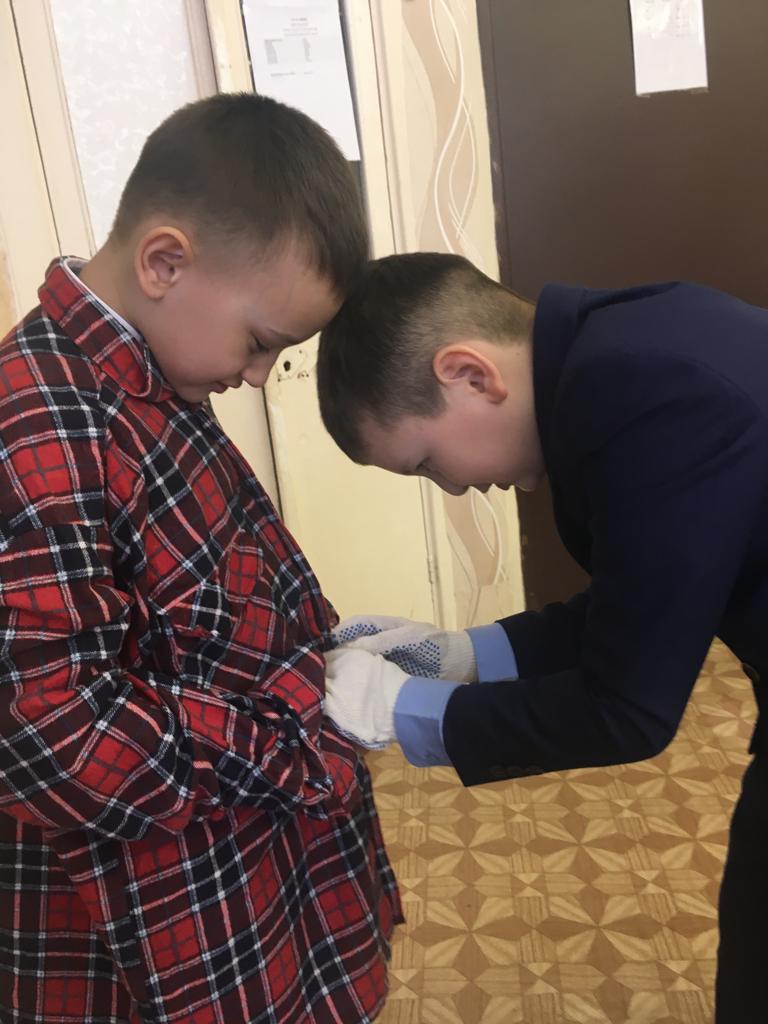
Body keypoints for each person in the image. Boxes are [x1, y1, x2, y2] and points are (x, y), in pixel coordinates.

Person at [0, 93, 402, 1024]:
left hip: (244, 860)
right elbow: (50, 727)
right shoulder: (38, 427)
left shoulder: (154, 373)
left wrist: (323, 658)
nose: (257, 376)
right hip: (152, 916)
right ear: (165, 261)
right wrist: (293, 733)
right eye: (261, 344)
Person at [316, 250, 768, 1022]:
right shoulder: (620, 346)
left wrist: (405, 712)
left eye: (427, 463)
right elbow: (640, 601)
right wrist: (463, 656)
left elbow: (627, 709)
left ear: (470, 374)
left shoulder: (643, 394)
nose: (453, 486)